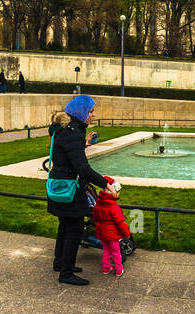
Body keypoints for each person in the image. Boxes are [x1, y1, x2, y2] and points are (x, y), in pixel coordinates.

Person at [45, 96, 105, 285]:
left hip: (58, 185)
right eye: (91, 111)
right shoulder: (73, 133)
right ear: (81, 112)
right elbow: (83, 169)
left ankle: (60, 263)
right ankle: (66, 273)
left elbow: (66, 154)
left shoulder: (63, 129)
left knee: (64, 225)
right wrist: (106, 184)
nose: (93, 115)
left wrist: (84, 145)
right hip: (70, 189)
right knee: (75, 228)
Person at [91, 178, 133, 276]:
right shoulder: (114, 207)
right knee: (115, 252)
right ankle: (118, 270)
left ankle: (106, 268)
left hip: (102, 233)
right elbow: (120, 223)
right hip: (112, 234)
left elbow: (95, 218)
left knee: (106, 250)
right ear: (113, 193)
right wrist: (127, 234)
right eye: (118, 192)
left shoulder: (98, 204)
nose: (118, 194)